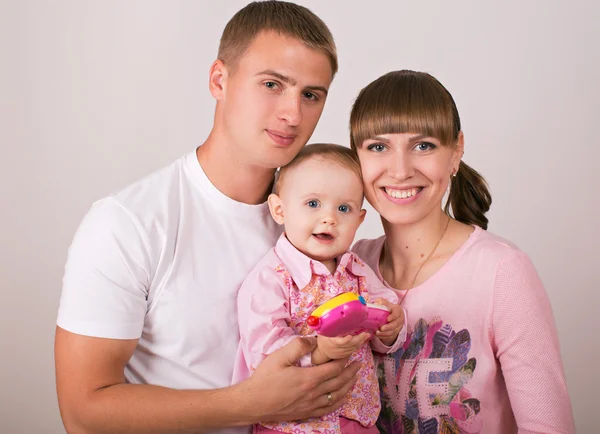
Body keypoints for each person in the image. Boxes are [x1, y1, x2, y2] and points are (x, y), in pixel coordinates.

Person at [54, 2, 361, 433]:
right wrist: (248, 404)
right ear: (220, 79)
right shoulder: (128, 223)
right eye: (272, 84)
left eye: (311, 94)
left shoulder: (320, 220)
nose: (293, 114)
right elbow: (82, 411)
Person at [349, 70, 575, 433]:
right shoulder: (349, 266)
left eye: (423, 146)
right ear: (355, 160)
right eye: (378, 147)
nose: (401, 169)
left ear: (456, 153)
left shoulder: (502, 271)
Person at [232, 144, 406, 434]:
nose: (329, 218)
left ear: (359, 221)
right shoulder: (272, 277)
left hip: (357, 418)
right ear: (279, 209)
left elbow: (382, 310)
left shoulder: (357, 270)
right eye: (313, 204)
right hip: (292, 425)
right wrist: (318, 352)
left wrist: (391, 327)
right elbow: (262, 351)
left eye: (343, 208)